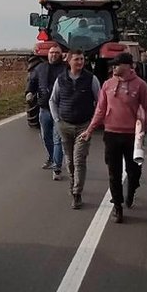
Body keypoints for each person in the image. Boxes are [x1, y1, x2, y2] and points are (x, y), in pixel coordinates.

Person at [79, 52, 147, 223]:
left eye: (117, 64)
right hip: (111, 133)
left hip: (132, 136)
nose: (113, 67)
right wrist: (90, 130)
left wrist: (142, 132)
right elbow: (100, 109)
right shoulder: (107, 84)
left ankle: (132, 190)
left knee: (133, 171)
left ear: (128, 66)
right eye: (113, 65)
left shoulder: (140, 85)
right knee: (114, 172)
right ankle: (118, 206)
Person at [50, 49, 101, 209]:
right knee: (70, 160)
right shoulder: (61, 79)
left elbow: (100, 102)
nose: (80, 62)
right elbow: (53, 100)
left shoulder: (91, 79)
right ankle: (73, 184)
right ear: (69, 61)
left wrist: (93, 123)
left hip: (83, 127)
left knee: (79, 160)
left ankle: (77, 193)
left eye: (82, 59)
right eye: (77, 59)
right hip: (65, 125)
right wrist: (57, 120)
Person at [26, 45, 67, 179]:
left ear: (61, 55)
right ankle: (51, 158)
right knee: (46, 137)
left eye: (56, 53)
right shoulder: (40, 68)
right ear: (47, 55)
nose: (53, 55)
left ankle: (57, 168)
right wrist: (29, 92)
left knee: (57, 139)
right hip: (43, 109)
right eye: (51, 53)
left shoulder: (66, 69)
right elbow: (32, 82)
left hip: (59, 110)